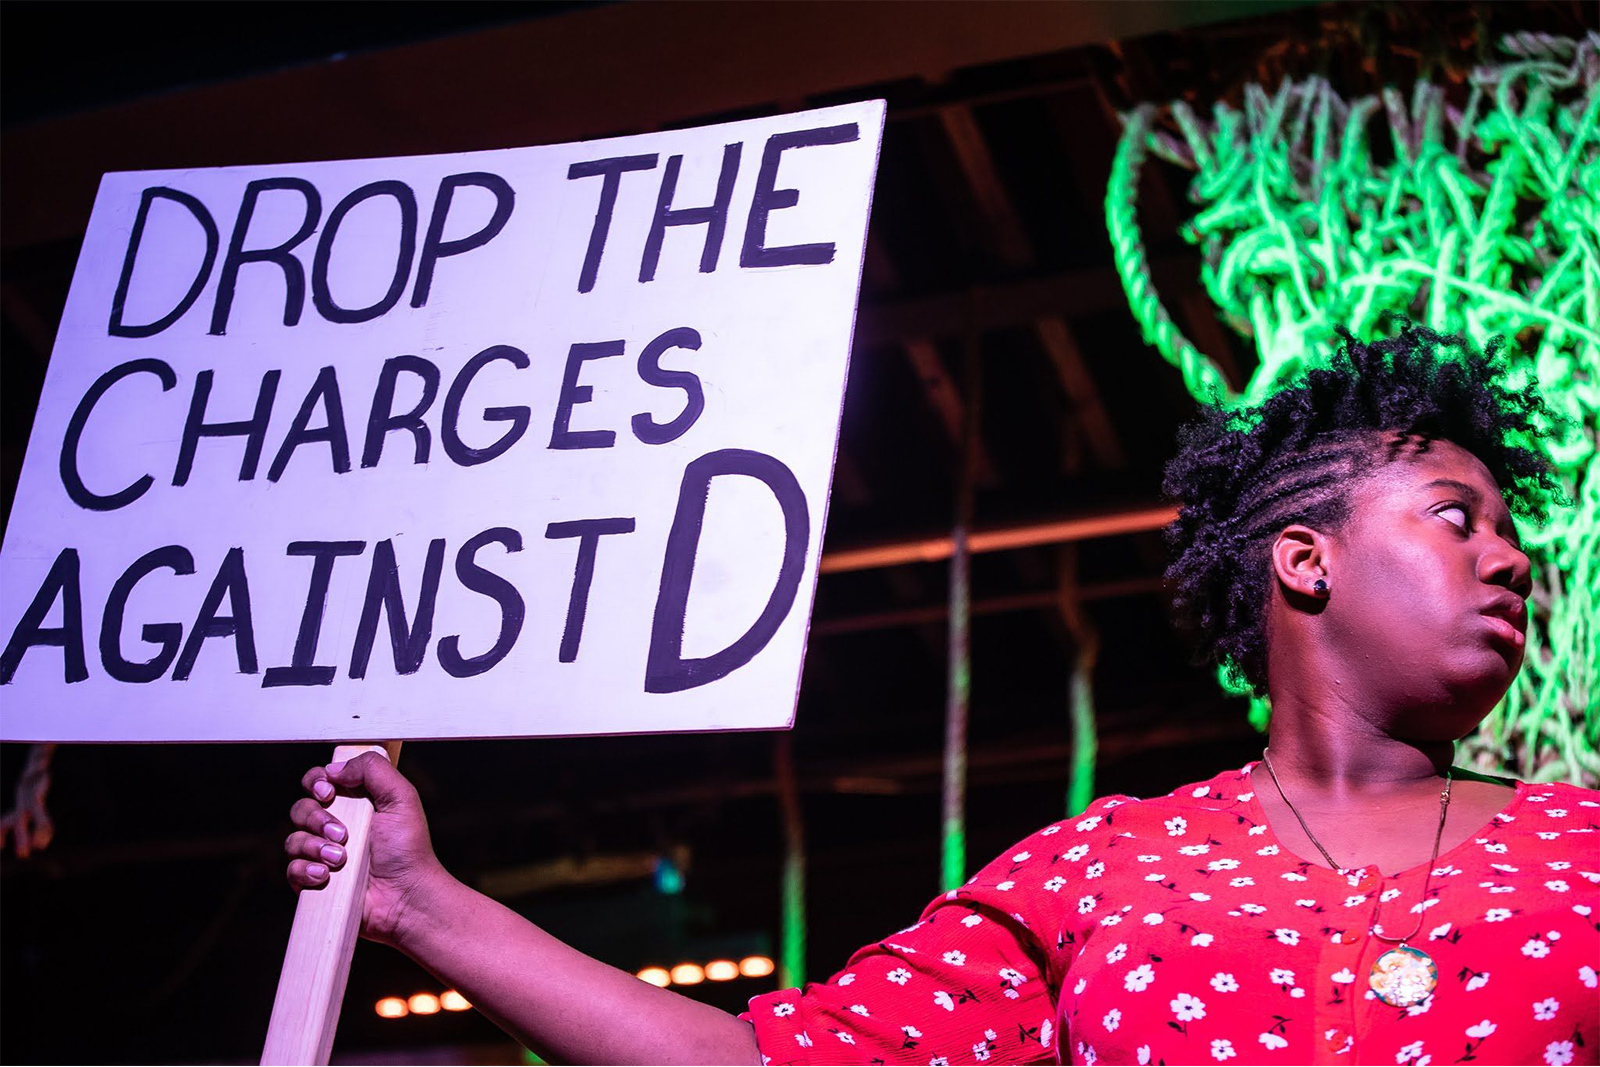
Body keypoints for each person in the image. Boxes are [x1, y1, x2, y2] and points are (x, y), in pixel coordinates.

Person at [284, 323, 1600, 1065]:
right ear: (1303, 560)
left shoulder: (1585, 849)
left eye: (1501, 527)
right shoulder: (1104, 872)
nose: (1512, 556)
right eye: (1454, 515)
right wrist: (419, 903)